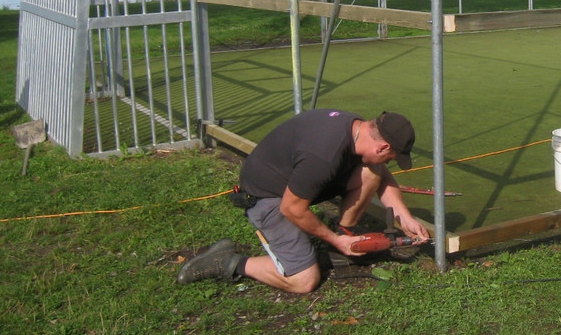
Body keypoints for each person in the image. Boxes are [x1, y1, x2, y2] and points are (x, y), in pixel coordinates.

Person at [177, 109, 431, 294]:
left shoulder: (356, 128)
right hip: (268, 197)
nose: (389, 162)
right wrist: (335, 240)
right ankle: (227, 262)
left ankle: (340, 241)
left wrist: (405, 218)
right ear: (382, 147)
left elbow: (381, 175)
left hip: (292, 184)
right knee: (304, 281)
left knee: (373, 171)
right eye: (390, 157)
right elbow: (291, 208)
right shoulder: (324, 155)